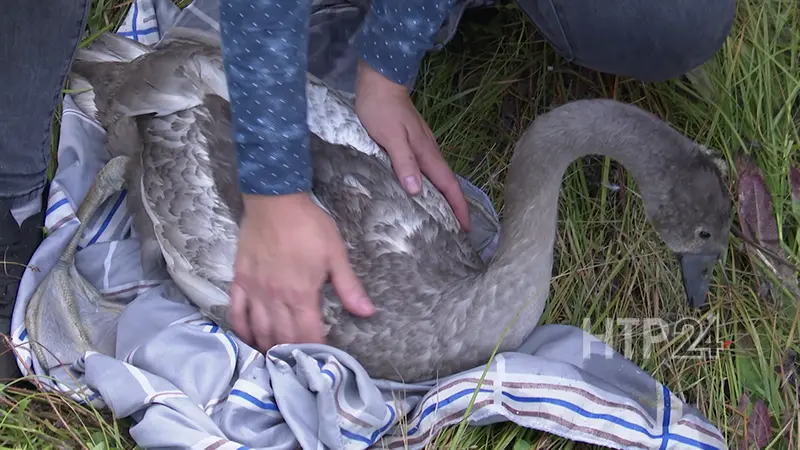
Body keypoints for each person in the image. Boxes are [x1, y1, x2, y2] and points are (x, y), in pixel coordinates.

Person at [0, 0, 737, 379]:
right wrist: (275, 187)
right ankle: (11, 186)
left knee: (672, 16)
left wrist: (388, 65)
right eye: (699, 238)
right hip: (197, 85)